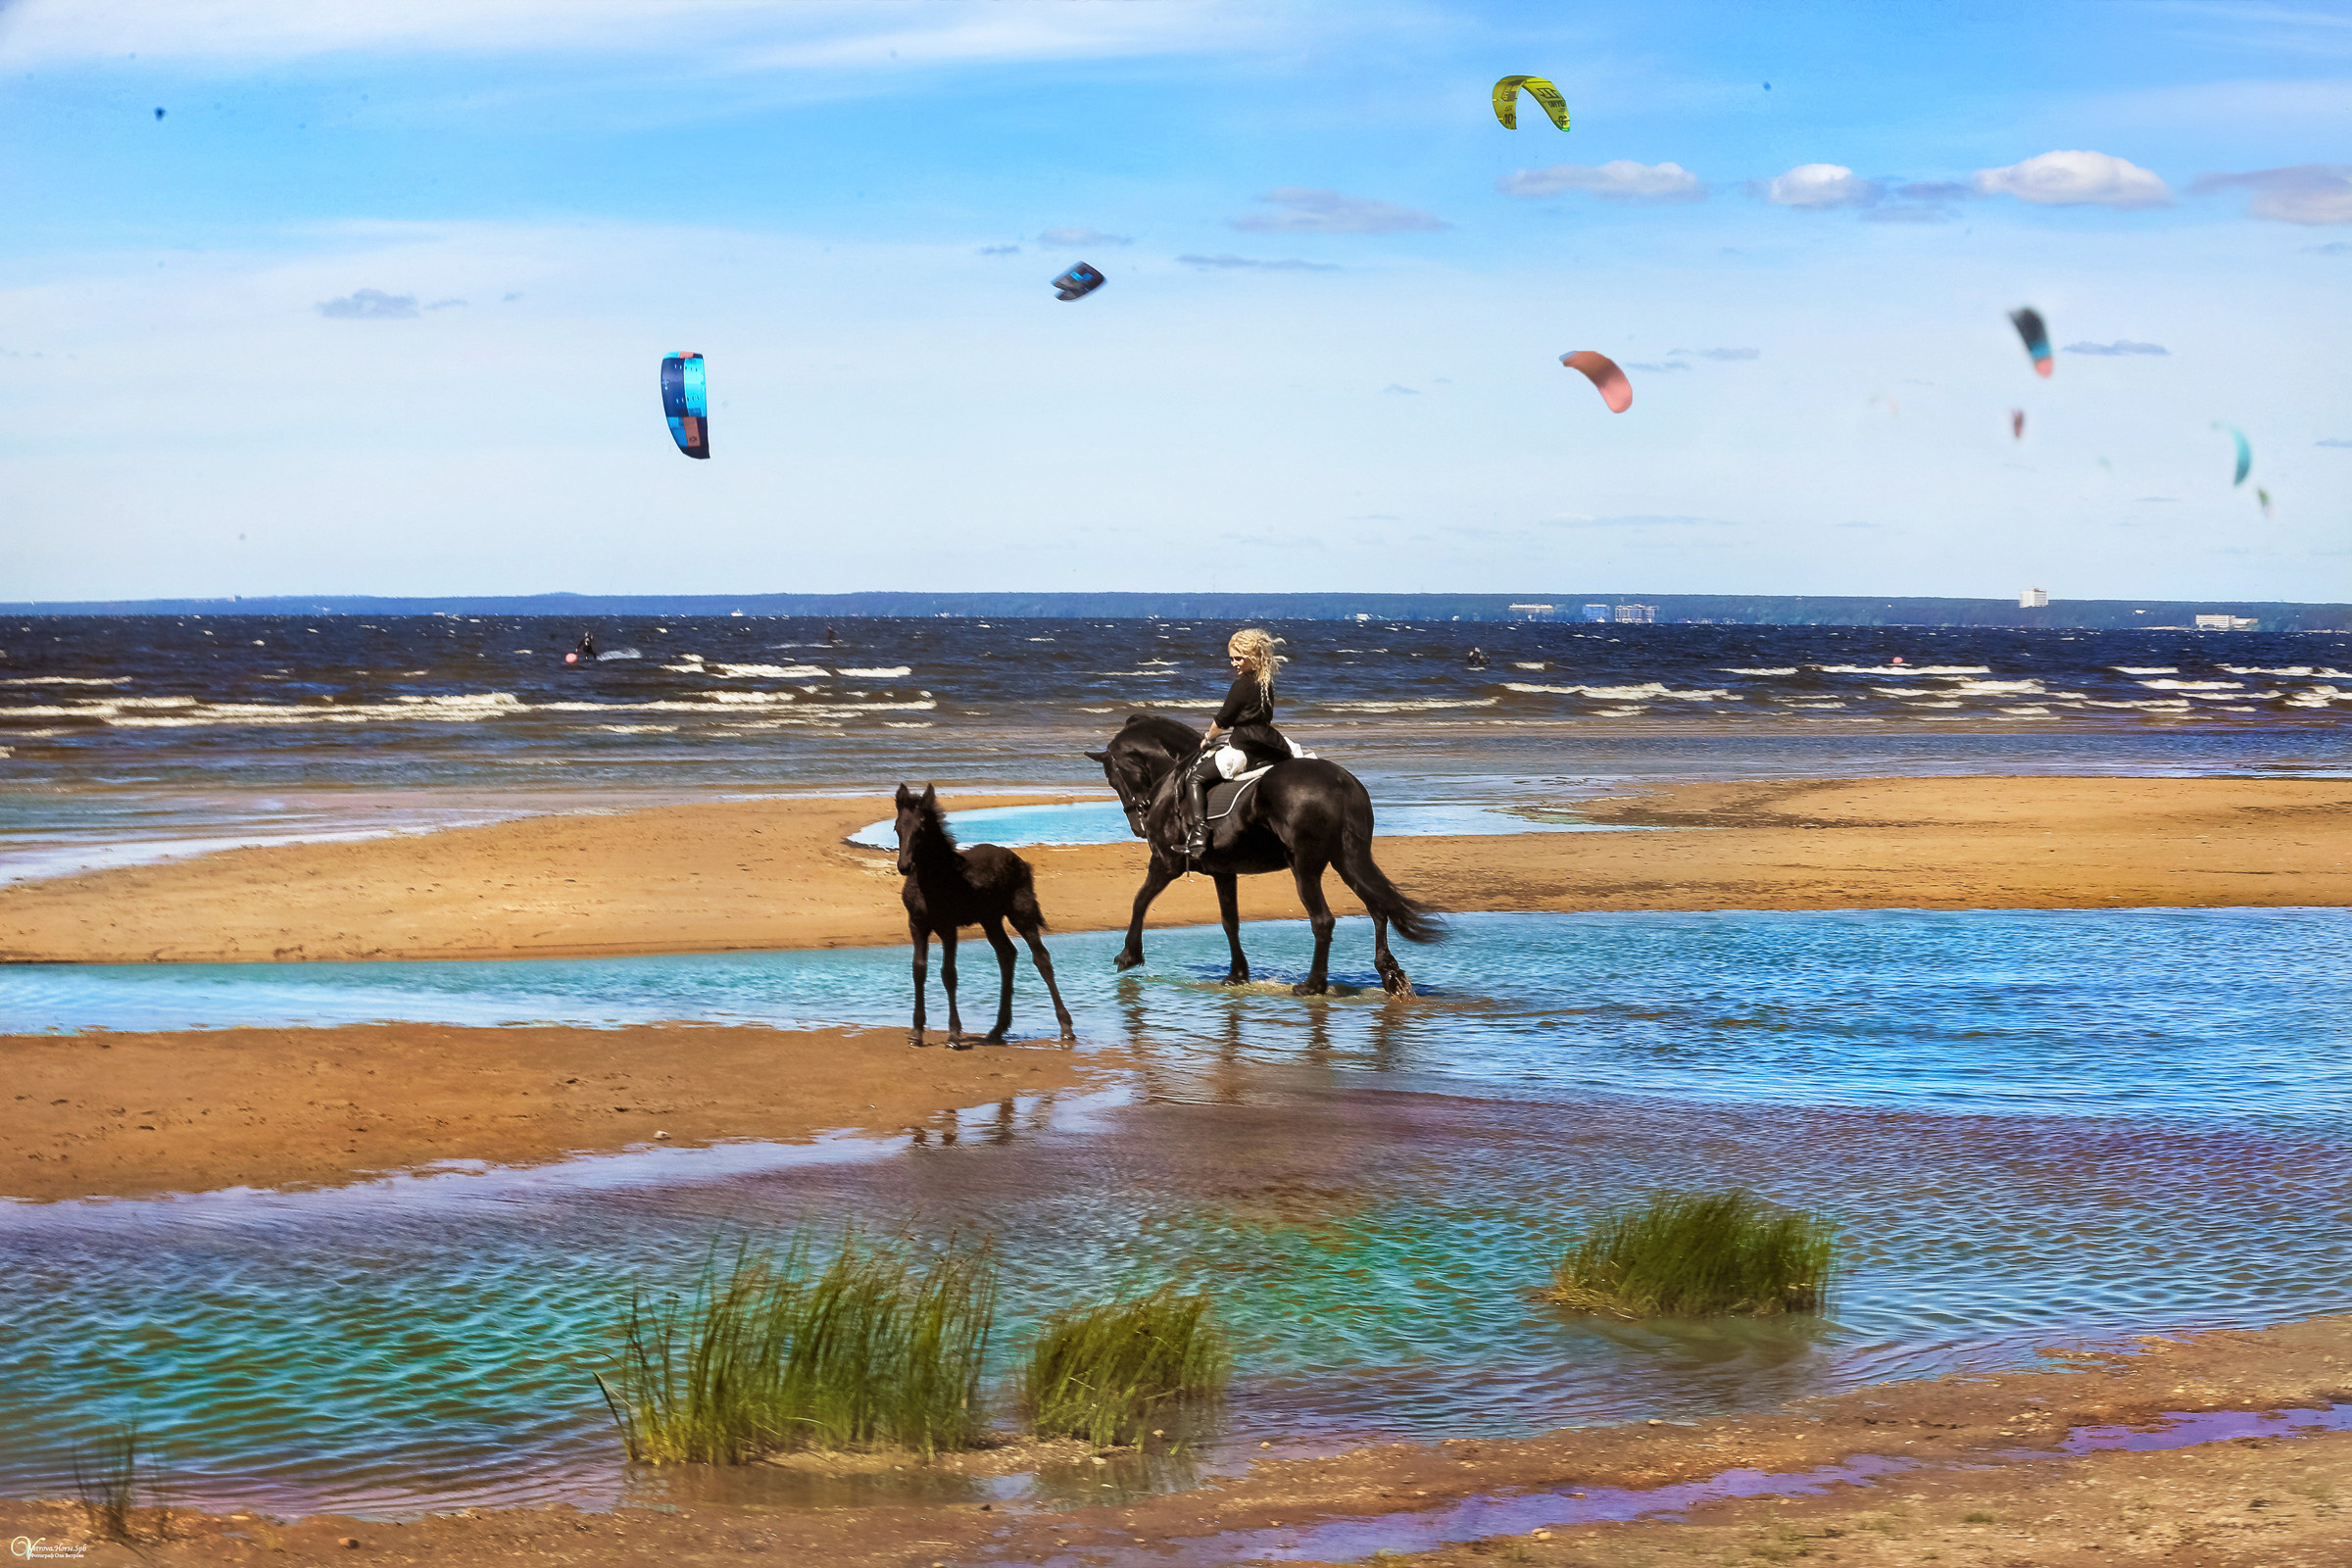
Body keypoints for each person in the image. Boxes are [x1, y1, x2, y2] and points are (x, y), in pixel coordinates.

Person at [1182, 628, 1294, 860]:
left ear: (1253, 656)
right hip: (1269, 743)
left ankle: (1199, 834)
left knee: (1194, 778)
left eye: (1239, 658)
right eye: (1231, 658)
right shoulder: (1265, 683)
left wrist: (1207, 739)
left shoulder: (1241, 686)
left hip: (1243, 748)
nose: (1234, 663)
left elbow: (1223, 720)